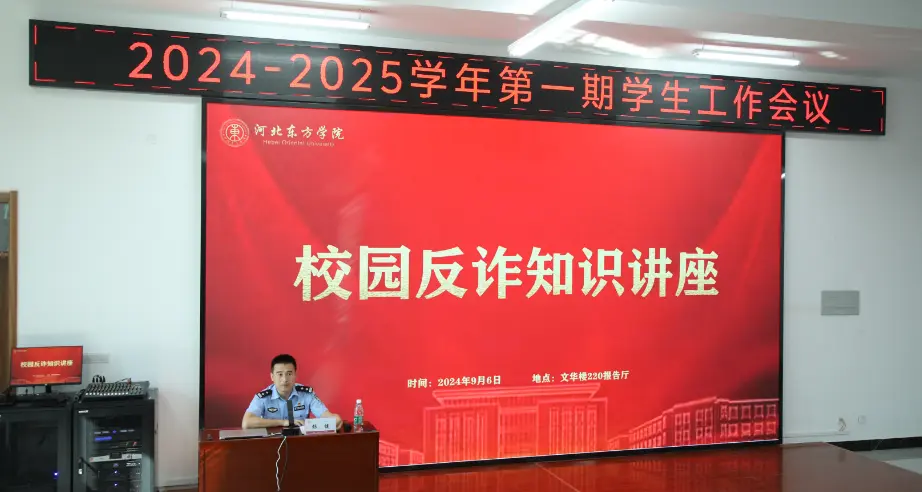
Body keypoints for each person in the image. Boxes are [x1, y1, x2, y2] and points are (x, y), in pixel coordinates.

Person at [241, 354, 342, 430]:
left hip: (301, 443)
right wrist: (284, 422)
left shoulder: (306, 394)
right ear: (272, 376)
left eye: (289, 374)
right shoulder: (263, 397)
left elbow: (329, 417)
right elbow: (247, 423)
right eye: (280, 374)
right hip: (272, 444)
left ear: (295, 375)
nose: (285, 379)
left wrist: (335, 419)